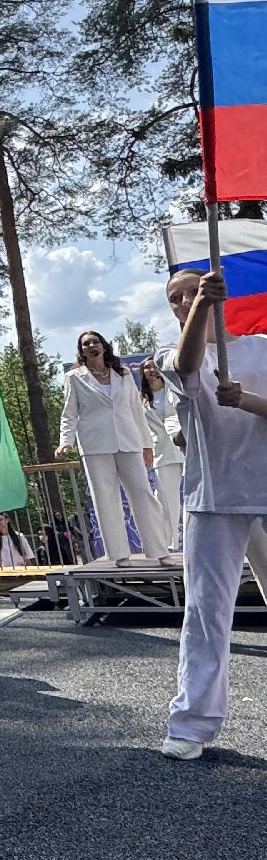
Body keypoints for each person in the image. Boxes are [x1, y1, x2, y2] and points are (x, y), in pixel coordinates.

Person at [156, 268, 267, 760]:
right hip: (213, 498)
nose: (183, 302)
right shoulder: (172, 357)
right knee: (206, 615)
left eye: (192, 292)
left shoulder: (262, 347)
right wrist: (201, 305)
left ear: (225, 295)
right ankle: (192, 723)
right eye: (175, 298)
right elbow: (186, 369)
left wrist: (245, 400)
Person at [56, 330, 175, 567]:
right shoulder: (74, 378)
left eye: (95, 341)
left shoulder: (122, 374)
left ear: (103, 346)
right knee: (106, 497)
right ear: (82, 351)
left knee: (143, 493)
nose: (92, 346)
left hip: (128, 441)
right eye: (86, 343)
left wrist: (146, 444)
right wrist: (65, 441)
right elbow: (69, 413)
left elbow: (135, 411)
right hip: (95, 445)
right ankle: (119, 554)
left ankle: (160, 550)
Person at [141, 355, 186, 550]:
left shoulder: (174, 390)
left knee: (195, 495)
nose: (152, 370)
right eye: (147, 368)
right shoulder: (140, 399)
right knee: (166, 499)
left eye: (155, 366)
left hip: (184, 446)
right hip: (161, 452)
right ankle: (170, 543)